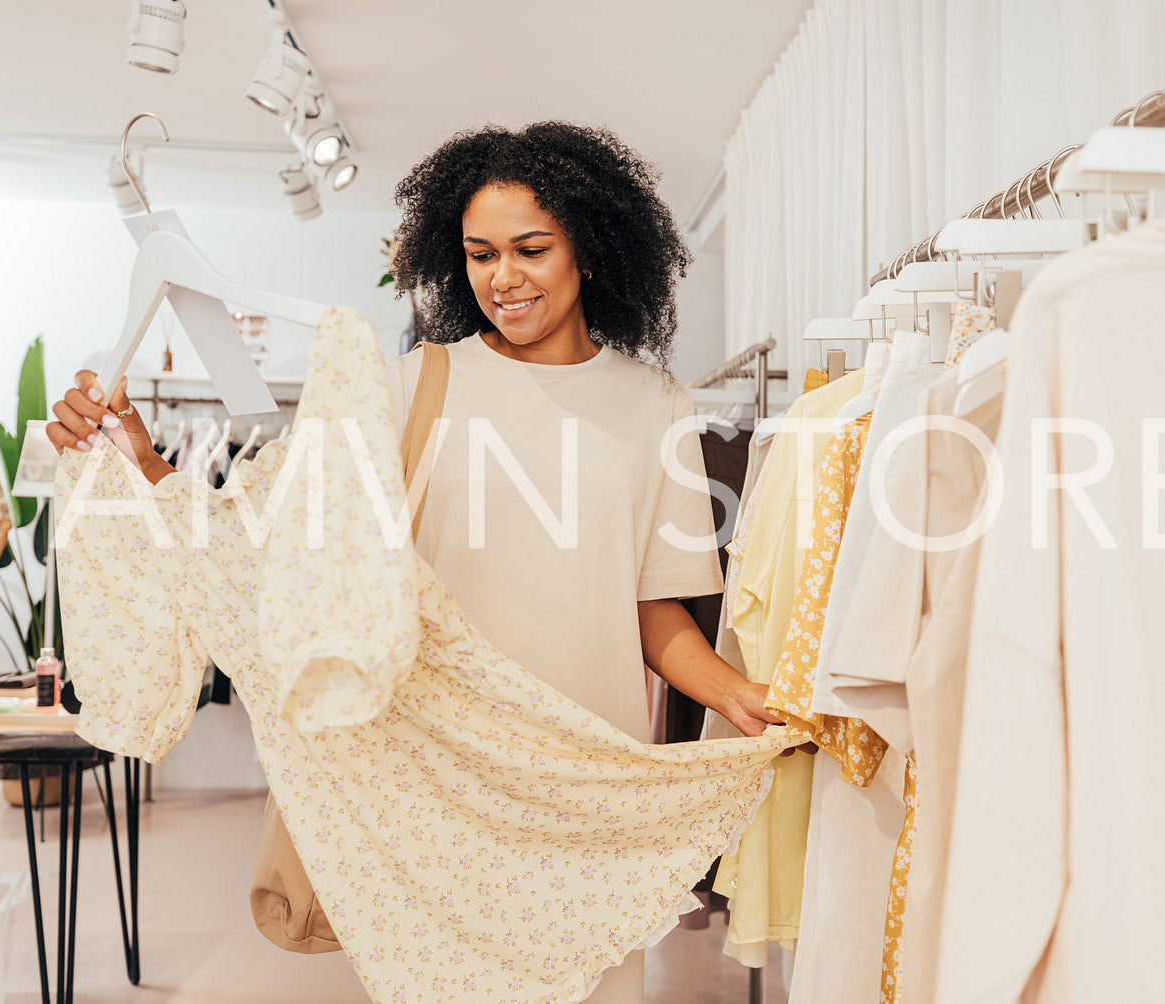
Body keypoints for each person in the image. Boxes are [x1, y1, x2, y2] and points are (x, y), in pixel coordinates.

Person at [47, 121, 780, 1002]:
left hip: (581, 774)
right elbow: (274, 543)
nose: (502, 278)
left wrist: (730, 692)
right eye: (478, 254)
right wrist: (142, 459)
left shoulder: (656, 403)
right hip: (434, 778)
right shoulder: (406, 387)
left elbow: (655, 609)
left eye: (530, 249)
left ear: (590, 247)